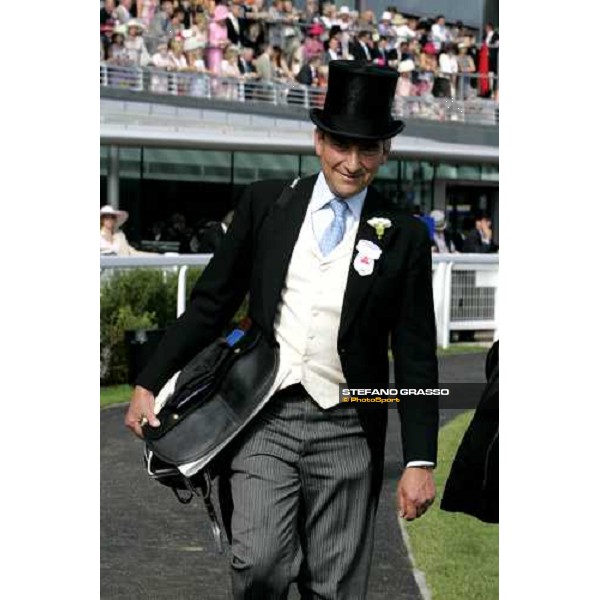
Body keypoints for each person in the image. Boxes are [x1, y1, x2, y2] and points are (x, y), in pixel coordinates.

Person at [125, 60, 438, 599]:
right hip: (264, 412)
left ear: (385, 152)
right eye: (342, 144)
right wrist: (149, 380)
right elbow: (211, 303)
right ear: (319, 141)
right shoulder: (267, 203)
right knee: (260, 561)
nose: (353, 162)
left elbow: (414, 356)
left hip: (349, 425)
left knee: (334, 585)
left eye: (368, 150)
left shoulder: (405, 235)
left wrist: (419, 460)